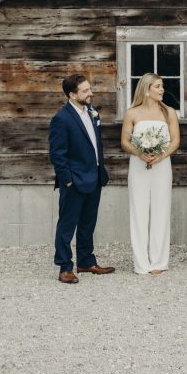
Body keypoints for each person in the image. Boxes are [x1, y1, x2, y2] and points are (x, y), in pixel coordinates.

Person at [49, 74, 114, 283]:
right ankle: (65, 267)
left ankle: (86, 261)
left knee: (88, 223)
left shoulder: (91, 112)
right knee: (67, 225)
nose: (90, 93)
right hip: (74, 180)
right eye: (85, 91)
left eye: (89, 89)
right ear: (72, 94)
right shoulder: (62, 119)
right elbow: (57, 154)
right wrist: (68, 180)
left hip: (94, 177)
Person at [120, 73, 179, 275]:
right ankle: (141, 263)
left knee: (161, 210)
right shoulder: (132, 113)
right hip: (138, 165)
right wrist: (139, 153)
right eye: (158, 86)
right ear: (146, 90)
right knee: (139, 211)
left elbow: (175, 141)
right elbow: (125, 142)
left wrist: (161, 156)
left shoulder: (169, 112)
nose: (162, 89)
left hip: (162, 165)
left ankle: (159, 261)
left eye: (162, 86)